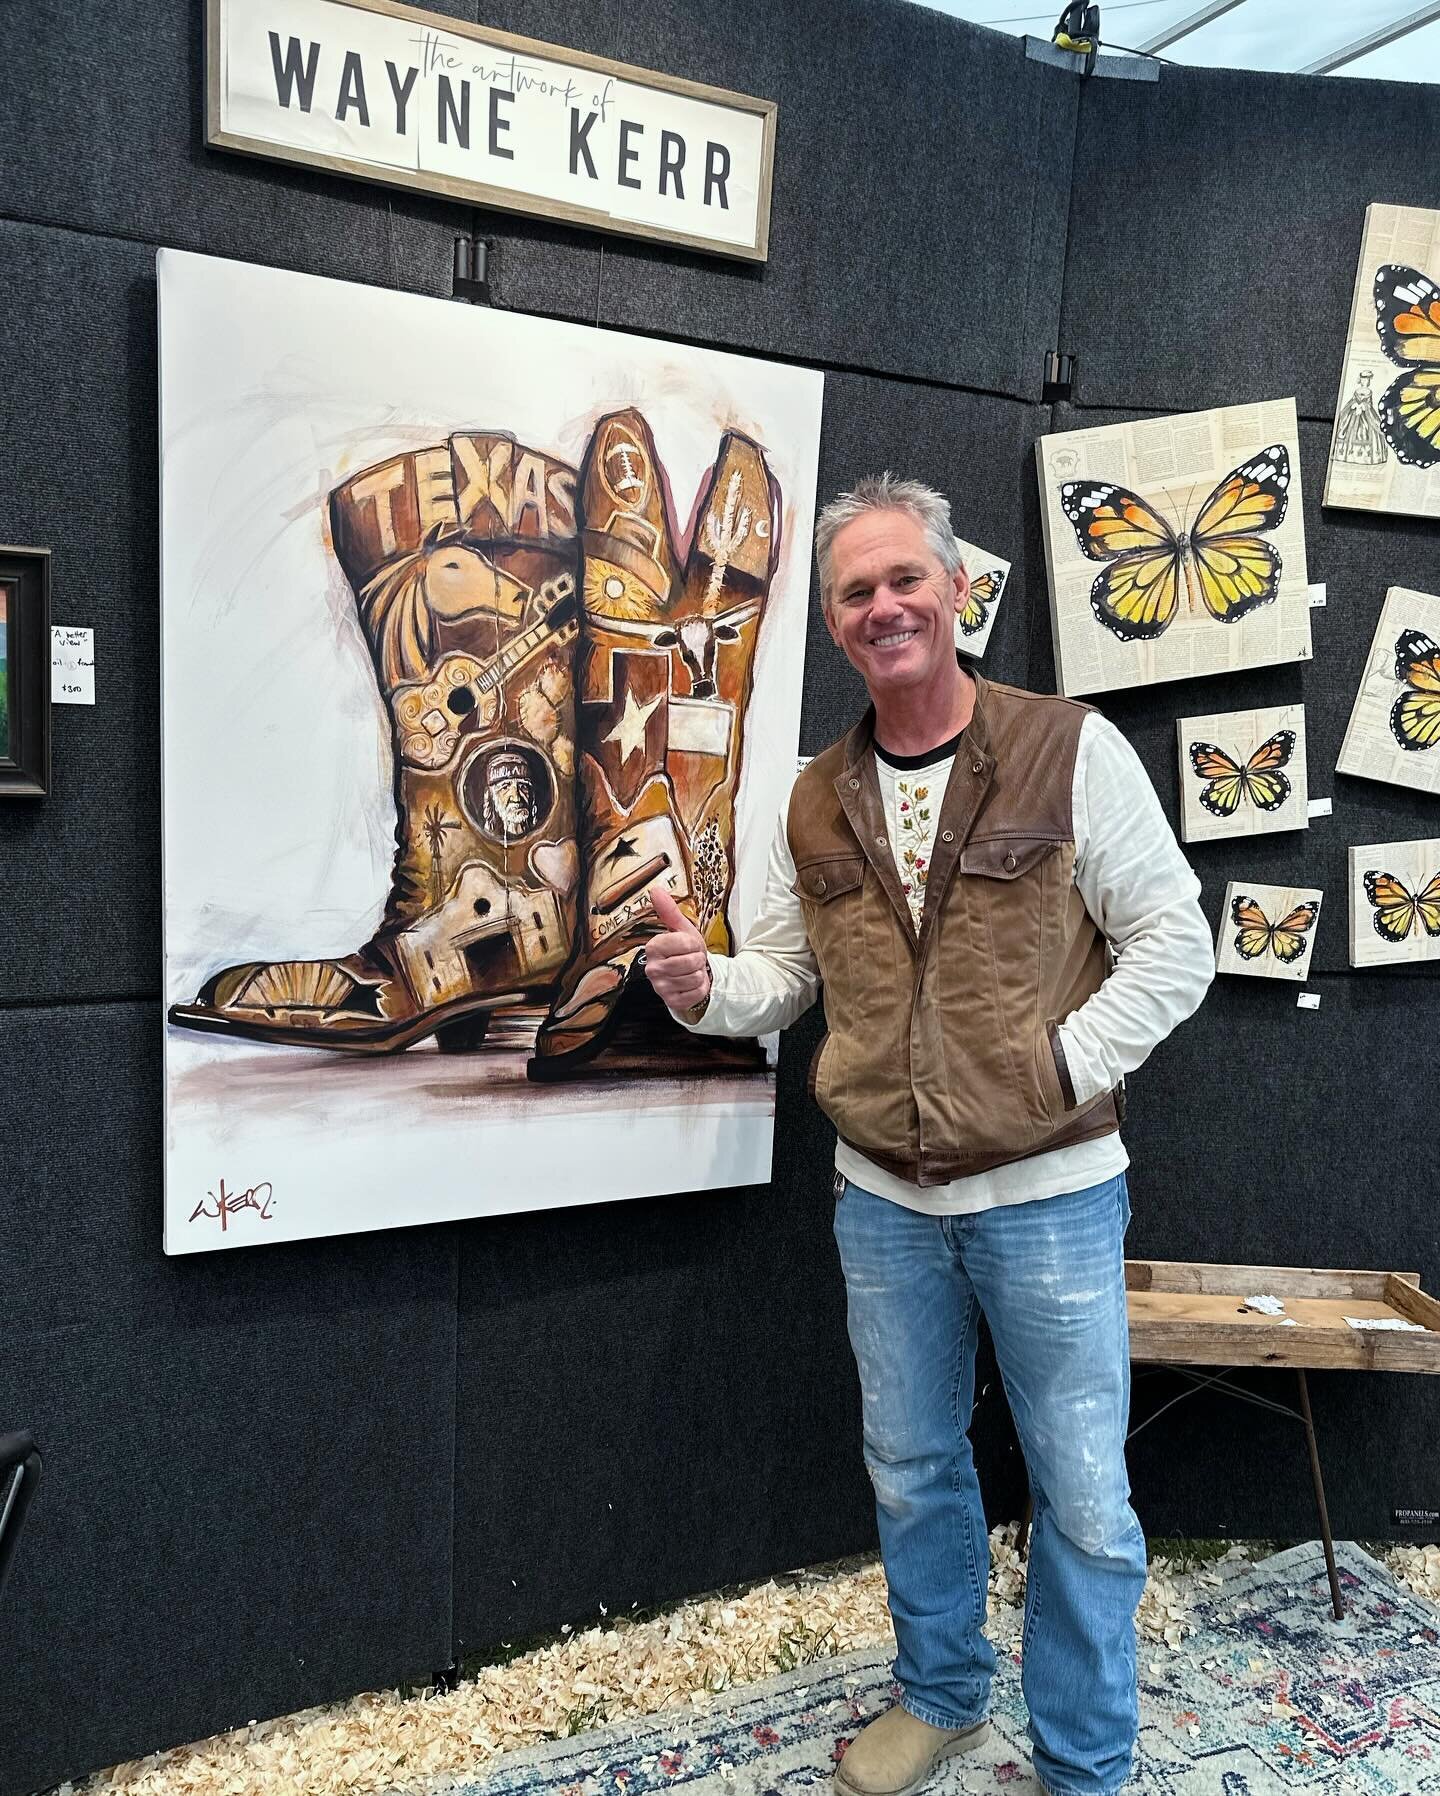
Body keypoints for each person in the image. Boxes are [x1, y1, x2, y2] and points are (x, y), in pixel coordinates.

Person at [642, 474, 1215, 1796]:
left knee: (1081, 1496)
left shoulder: (1073, 750)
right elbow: (786, 980)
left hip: (1054, 1197)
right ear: (837, 623)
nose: (885, 606)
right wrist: (707, 991)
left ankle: (1083, 1760)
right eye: (857, 590)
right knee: (909, 1466)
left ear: (960, 591)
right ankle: (946, 1695)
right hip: (883, 1203)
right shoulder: (810, 797)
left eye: (907, 579)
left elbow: (1175, 946)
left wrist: (1053, 1066)